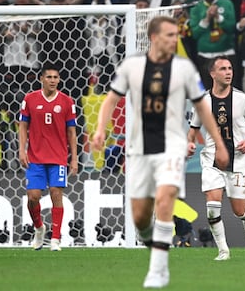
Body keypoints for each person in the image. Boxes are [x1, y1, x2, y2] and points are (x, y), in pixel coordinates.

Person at [91, 16, 228, 288]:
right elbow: (111, 99)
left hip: (172, 145)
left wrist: (219, 143)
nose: (173, 39)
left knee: (165, 199)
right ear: (153, 37)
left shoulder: (185, 69)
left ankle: (158, 269)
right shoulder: (132, 66)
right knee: (141, 217)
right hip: (139, 148)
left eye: (175, 34)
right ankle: (150, 238)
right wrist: (99, 130)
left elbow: (202, 107)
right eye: (168, 35)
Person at [187, 55, 245, 261]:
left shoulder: (242, 99)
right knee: (212, 206)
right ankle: (223, 250)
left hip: (238, 161)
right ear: (212, 74)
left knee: (238, 209)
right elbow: (193, 129)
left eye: (230, 68)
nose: (228, 72)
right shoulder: (202, 102)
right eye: (223, 69)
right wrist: (190, 143)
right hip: (212, 159)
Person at [18, 62, 78, 252]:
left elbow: (71, 131)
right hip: (35, 156)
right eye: (49, 77)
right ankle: (39, 228)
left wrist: (74, 158)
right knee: (33, 197)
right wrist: (21, 150)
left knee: (56, 194)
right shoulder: (30, 99)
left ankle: (55, 239)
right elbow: (23, 126)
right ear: (41, 79)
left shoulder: (67, 102)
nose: (53, 80)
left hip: (58, 156)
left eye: (56, 77)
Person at [189, 0, 239, 89]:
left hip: (226, 53)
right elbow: (194, 34)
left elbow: (231, 28)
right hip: (205, 56)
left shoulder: (227, 3)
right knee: (208, 91)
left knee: (229, 89)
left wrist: (218, 17)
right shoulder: (196, 7)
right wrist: (207, 19)